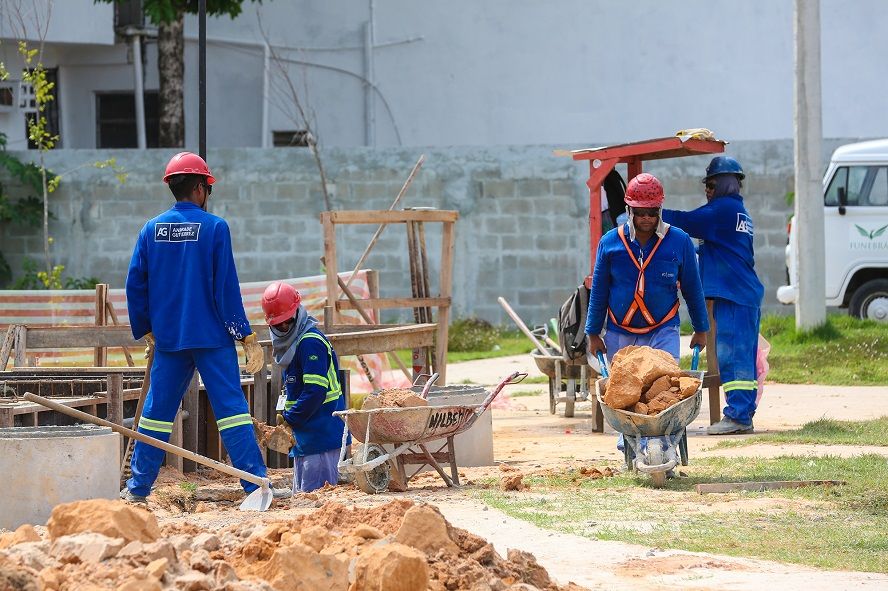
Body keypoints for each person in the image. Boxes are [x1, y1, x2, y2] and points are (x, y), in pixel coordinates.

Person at [122, 152, 288, 502]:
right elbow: (224, 287)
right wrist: (245, 334)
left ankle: (137, 490)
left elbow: (135, 283)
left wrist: (145, 327)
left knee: (155, 415)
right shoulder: (215, 228)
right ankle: (255, 486)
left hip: (170, 340)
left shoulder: (151, 230)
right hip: (212, 338)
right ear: (200, 188)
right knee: (230, 411)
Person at [584, 173, 709, 462]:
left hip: (662, 327)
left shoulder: (679, 242)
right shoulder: (610, 243)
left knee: (662, 387)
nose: (646, 218)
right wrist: (593, 333)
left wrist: (701, 328)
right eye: (640, 212)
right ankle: (627, 435)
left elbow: (693, 287)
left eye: (652, 212)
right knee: (625, 391)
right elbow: (599, 290)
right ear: (629, 210)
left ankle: (664, 440)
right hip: (620, 330)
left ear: (660, 210)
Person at [661, 156, 764, 435]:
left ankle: (739, 417)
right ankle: (742, 413)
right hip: (740, 292)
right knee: (740, 354)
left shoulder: (723, 211)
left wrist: (650, 212)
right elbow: (716, 251)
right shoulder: (735, 211)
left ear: (724, 184)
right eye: (706, 185)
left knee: (733, 356)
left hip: (734, 293)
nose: (707, 190)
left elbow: (686, 221)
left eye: (711, 184)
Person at [261, 281, 348, 493]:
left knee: (316, 501)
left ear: (297, 313)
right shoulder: (295, 344)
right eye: (277, 324)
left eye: (287, 322)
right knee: (304, 498)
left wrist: (290, 418)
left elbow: (315, 391)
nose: (282, 328)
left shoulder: (310, 343)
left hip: (321, 438)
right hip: (308, 439)